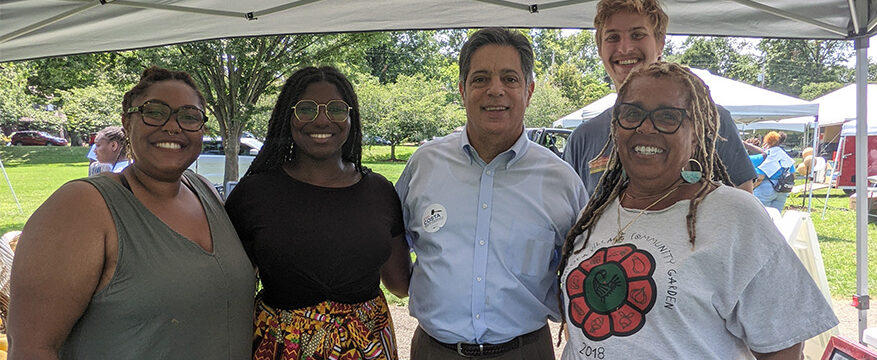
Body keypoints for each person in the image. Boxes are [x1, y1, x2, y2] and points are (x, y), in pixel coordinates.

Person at [559, 62, 837, 359]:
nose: (645, 127)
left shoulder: (734, 215)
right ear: (616, 128)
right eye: (632, 114)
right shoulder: (596, 210)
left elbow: (783, 347)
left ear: (696, 134)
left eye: (668, 116)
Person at [7, 66, 256, 359]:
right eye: (155, 112)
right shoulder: (81, 206)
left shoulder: (205, 190)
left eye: (189, 116)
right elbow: (31, 348)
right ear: (127, 122)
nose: (173, 126)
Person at [395, 28, 588, 359]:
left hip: (526, 350)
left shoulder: (561, 180)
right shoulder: (424, 165)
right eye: (480, 78)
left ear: (528, 91)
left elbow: (581, 269)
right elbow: (391, 238)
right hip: (435, 350)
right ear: (462, 89)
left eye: (509, 79)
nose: (495, 90)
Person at [224, 66, 410, 360]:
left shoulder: (379, 191)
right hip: (280, 347)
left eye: (336, 109)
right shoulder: (254, 193)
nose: (322, 119)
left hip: (368, 347)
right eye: (306, 109)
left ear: (351, 118)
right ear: (288, 116)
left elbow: (399, 284)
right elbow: (230, 288)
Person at [563, 0, 757, 195]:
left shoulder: (710, 121)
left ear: (660, 43)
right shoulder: (583, 138)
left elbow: (741, 207)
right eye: (613, 37)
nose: (624, 48)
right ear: (600, 50)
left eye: (637, 35)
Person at [752, 131, 796, 212]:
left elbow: (760, 177)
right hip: (782, 190)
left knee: (761, 216)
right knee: (776, 217)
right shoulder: (785, 157)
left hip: (766, 188)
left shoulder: (765, 156)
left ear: (767, 142)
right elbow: (793, 175)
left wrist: (752, 188)